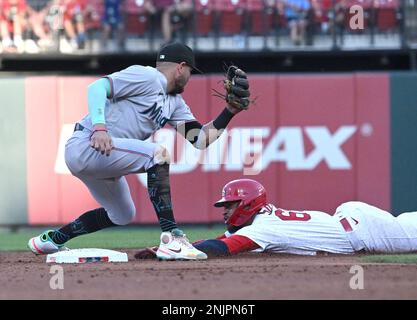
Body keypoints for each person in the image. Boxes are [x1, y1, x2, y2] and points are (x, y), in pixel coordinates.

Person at [28, 42, 251, 261]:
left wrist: (229, 112)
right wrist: (99, 127)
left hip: (106, 156)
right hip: (87, 144)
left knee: (123, 214)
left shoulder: (174, 102)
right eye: (190, 72)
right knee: (158, 154)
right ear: (181, 67)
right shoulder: (147, 76)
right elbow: (96, 88)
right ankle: (172, 237)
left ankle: (53, 239)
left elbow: (199, 139)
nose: (189, 78)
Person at [135, 178, 417, 259]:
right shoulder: (259, 221)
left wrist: (179, 251)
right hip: (350, 219)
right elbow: (222, 239)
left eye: (230, 205)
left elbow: (223, 248)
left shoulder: (264, 227)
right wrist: (171, 246)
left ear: (246, 204)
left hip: (362, 231)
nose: (224, 211)